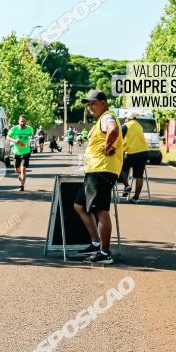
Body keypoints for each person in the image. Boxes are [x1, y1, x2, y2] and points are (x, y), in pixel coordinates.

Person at [73, 91, 123, 264]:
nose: (90, 107)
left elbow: (113, 130)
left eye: (93, 103)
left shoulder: (106, 117)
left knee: (101, 211)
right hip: (96, 170)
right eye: (88, 104)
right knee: (79, 206)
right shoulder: (101, 119)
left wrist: (108, 145)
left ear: (103, 102)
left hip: (101, 170)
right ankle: (96, 243)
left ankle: (105, 252)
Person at [119, 115, 149, 203]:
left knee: (122, 167)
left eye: (125, 118)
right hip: (144, 152)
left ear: (128, 118)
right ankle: (136, 197)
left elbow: (118, 139)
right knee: (139, 175)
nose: (125, 119)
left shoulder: (126, 125)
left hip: (131, 153)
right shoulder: (139, 126)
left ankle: (126, 186)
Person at [7, 115, 34, 191]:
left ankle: (22, 185)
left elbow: (32, 135)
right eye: (21, 121)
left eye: (24, 121)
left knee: (23, 169)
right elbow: (8, 137)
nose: (22, 122)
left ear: (26, 122)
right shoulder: (14, 129)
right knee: (17, 170)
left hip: (26, 151)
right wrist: (15, 140)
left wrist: (31, 137)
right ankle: (20, 175)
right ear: (18, 121)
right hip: (16, 152)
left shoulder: (29, 129)